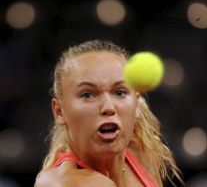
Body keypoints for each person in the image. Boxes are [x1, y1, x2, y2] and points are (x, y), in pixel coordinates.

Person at [34, 39, 182, 187]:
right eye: (87, 95)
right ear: (59, 112)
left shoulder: (143, 155)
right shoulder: (61, 183)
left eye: (120, 92)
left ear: (137, 104)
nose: (108, 107)